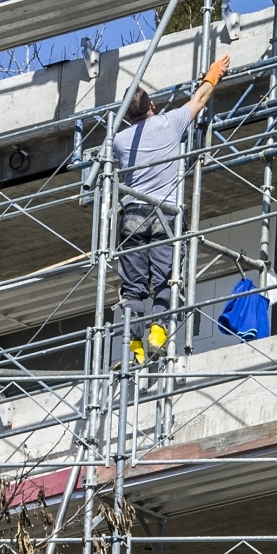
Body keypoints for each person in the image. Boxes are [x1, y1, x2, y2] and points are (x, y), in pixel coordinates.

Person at [114, 53, 230, 362]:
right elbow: (201, 98)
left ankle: (134, 346)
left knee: (134, 286)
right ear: (152, 106)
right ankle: (158, 333)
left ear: (127, 117)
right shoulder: (170, 122)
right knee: (166, 278)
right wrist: (215, 73)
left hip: (133, 216)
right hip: (165, 215)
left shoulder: (119, 141)